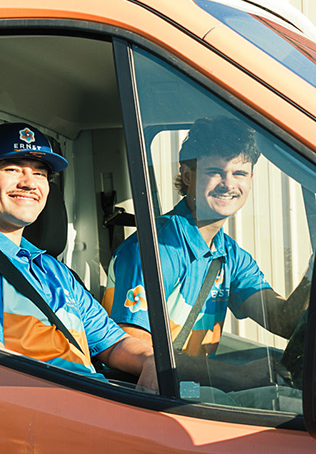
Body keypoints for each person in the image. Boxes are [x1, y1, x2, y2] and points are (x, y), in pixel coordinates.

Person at [0, 122, 156, 389]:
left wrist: (150, 360)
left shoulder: (53, 269)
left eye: (40, 174)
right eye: (13, 169)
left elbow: (112, 342)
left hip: (92, 402)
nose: (29, 183)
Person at [103, 116, 310, 394]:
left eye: (239, 173)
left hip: (188, 389)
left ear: (250, 179)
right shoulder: (158, 247)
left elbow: (283, 321)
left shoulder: (230, 255)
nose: (228, 184)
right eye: (215, 172)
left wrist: (311, 273)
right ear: (187, 176)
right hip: (147, 396)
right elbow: (136, 350)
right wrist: (237, 375)